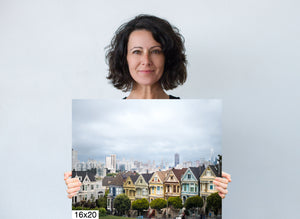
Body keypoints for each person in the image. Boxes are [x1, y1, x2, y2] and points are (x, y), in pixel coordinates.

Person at [64, 14, 231, 200]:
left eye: (156, 51)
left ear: (167, 58)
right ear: (124, 58)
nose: (146, 60)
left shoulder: (196, 117)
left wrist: (220, 188)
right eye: (136, 51)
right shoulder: (105, 120)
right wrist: (73, 189)